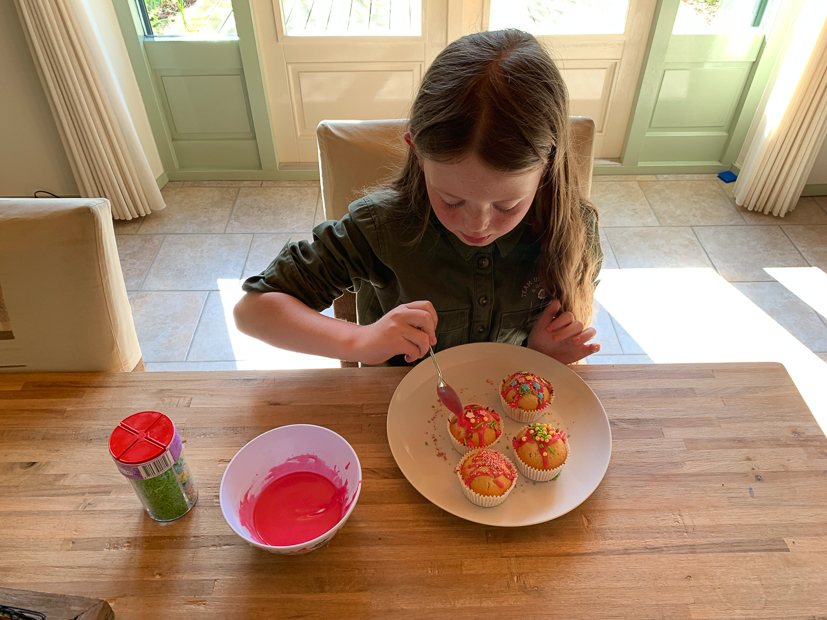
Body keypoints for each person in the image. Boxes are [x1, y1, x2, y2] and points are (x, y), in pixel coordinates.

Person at [234, 29, 603, 366]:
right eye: (451, 200)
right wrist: (359, 340)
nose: (477, 225)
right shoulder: (382, 227)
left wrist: (541, 355)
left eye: (507, 206)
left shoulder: (573, 231)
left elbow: (567, 331)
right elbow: (252, 311)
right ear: (417, 153)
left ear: (548, 165)